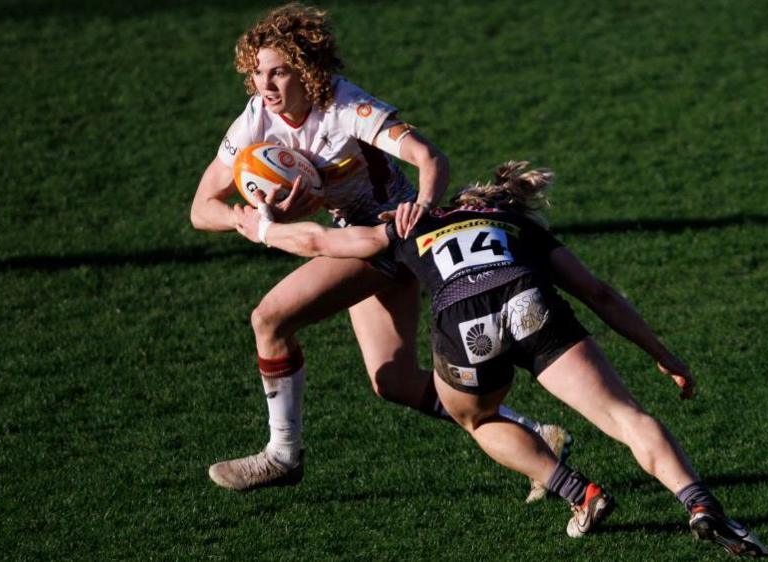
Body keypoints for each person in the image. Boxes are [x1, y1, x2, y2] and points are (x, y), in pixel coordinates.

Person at [232, 161, 768, 556]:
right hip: (528, 301)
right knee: (625, 418)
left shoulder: (410, 223)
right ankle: (701, 505)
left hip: (464, 325)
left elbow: (323, 243)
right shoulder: (520, 227)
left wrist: (262, 227)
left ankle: (575, 489)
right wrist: (663, 354)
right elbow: (599, 294)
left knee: (478, 416)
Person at [190, 3, 567, 501]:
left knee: (270, 319)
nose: (266, 84)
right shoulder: (259, 119)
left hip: (391, 235)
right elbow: (202, 208)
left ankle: (283, 454)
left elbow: (429, 156)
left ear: (306, 69)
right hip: (356, 237)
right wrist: (246, 220)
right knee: (392, 379)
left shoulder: (346, 109)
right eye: (258, 72)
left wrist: (422, 206)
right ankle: (538, 438)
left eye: (279, 71)